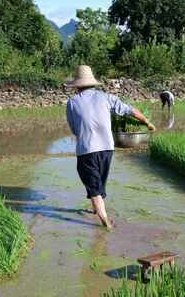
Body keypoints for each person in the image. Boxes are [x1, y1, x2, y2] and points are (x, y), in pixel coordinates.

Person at [66, 65, 156, 228]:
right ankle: (95, 211)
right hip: (107, 149)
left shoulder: (72, 102)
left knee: (93, 186)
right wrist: (147, 122)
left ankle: (105, 220)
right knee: (98, 182)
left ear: (77, 85)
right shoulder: (107, 97)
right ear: (92, 83)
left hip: (86, 150)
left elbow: (74, 129)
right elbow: (130, 110)